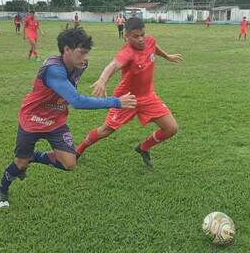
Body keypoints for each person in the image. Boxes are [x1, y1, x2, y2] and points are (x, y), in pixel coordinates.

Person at [0, 28, 137, 209]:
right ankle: (2, 192)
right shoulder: (53, 70)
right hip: (33, 118)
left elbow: (69, 89)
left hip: (56, 119)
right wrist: (116, 102)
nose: (85, 58)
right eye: (81, 53)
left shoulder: (81, 65)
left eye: (87, 53)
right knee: (19, 162)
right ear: (66, 50)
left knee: (69, 163)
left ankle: (33, 157)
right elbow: (77, 100)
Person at [76, 17, 183, 168]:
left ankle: (143, 147)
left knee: (171, 128)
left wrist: (167, 56)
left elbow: (154, 47)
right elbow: (113, 65)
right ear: (126, 36)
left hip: (148, 96)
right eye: (136, 36)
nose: (141, 39)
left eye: (142, 35)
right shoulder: (127, 52)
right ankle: (78, 150)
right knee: (106, 130)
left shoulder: (149, 41)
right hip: (126, 99)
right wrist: (102, 80)